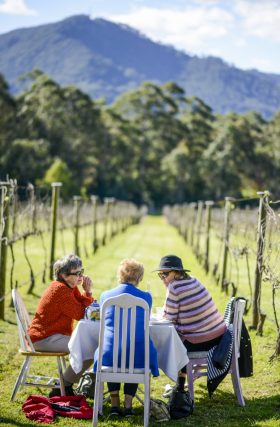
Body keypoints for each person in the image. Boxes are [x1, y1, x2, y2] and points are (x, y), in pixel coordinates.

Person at [94, 258, 159, 418]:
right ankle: (128, 406)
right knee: (134, 350)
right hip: (138, 357)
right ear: (139, 278)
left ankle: (115, 405)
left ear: (120, 275)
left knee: (115, 351)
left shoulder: (105, 296)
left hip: (108, 357)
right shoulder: (146, 297)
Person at [154, 254, 226, 392]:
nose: (163, 278)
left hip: (202, 341)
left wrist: (161, 314)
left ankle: (179, 386)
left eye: (165, 274)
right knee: (180, 337)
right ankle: (181, 383)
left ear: (176, 272)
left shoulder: (174, 287)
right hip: (218, 337)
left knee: (174, 342)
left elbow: (169, 318)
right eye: (160, 275)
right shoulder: (195, 280)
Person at [28, 253, 94, 396]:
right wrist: (88, 292)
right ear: (64, 275)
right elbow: (81, 314)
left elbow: (83, 308)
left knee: (88, 346)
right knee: (88, 348)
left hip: (51, 335)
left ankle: (65, 385)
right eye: (77, 273)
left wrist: (85, 294)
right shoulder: (61, 291)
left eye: (81, 271)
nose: (81, 276)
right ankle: (62, 386)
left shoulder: (69, 287)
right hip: (43, 338)